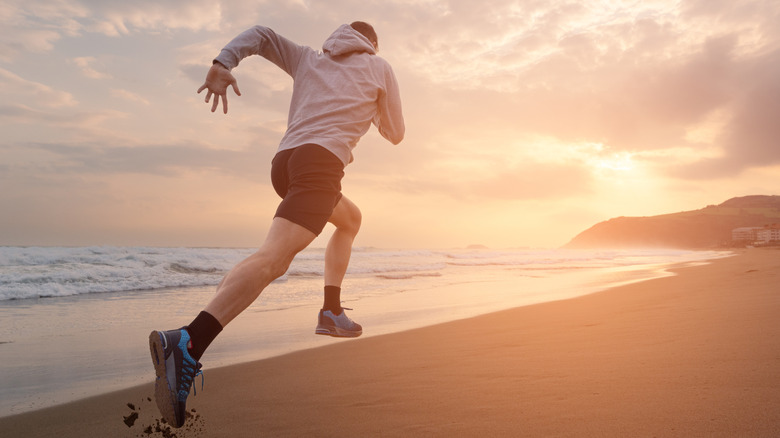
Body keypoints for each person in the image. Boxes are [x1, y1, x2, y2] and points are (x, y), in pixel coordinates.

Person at [148, 21, 404, 428]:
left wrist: (222, 62)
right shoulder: (380, 67)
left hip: (285, 164)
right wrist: (369, 106)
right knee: (273, 260)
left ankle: (330, 311)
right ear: (371, 45)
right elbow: (395, 133)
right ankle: (188, 341)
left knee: (350, 219)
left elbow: (263, 36)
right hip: (321, 165)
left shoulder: (309, 58)